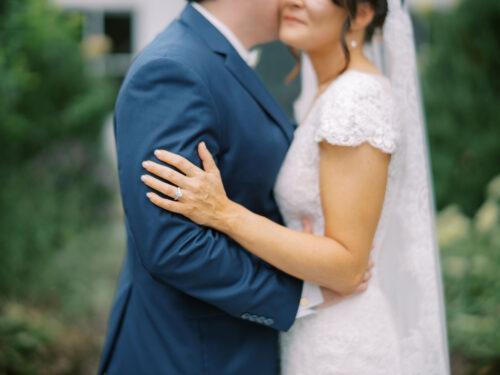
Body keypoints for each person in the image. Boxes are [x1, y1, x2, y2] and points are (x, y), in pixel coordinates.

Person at [141, 0, 450, 373]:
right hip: (314, 327)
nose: (294, 0)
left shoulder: (355, 99)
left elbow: (347, 266)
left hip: (343, 341)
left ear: (363, 12)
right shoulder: (326, 92)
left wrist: (224, 213)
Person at [97, 0, 373, 374]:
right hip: (191, 356)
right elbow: (174, 243)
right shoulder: (173, 70)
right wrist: (298, 296)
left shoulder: (219, 60)